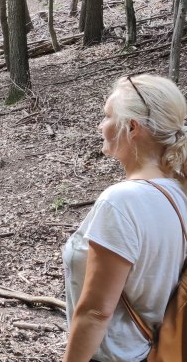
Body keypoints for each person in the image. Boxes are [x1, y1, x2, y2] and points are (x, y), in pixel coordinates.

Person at [63, 74, 187, 361]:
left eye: (107, 116)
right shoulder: (179, 192)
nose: (100, 125)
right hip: (152, 350)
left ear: (132, 127)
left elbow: (96, 312)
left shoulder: (121, 202)